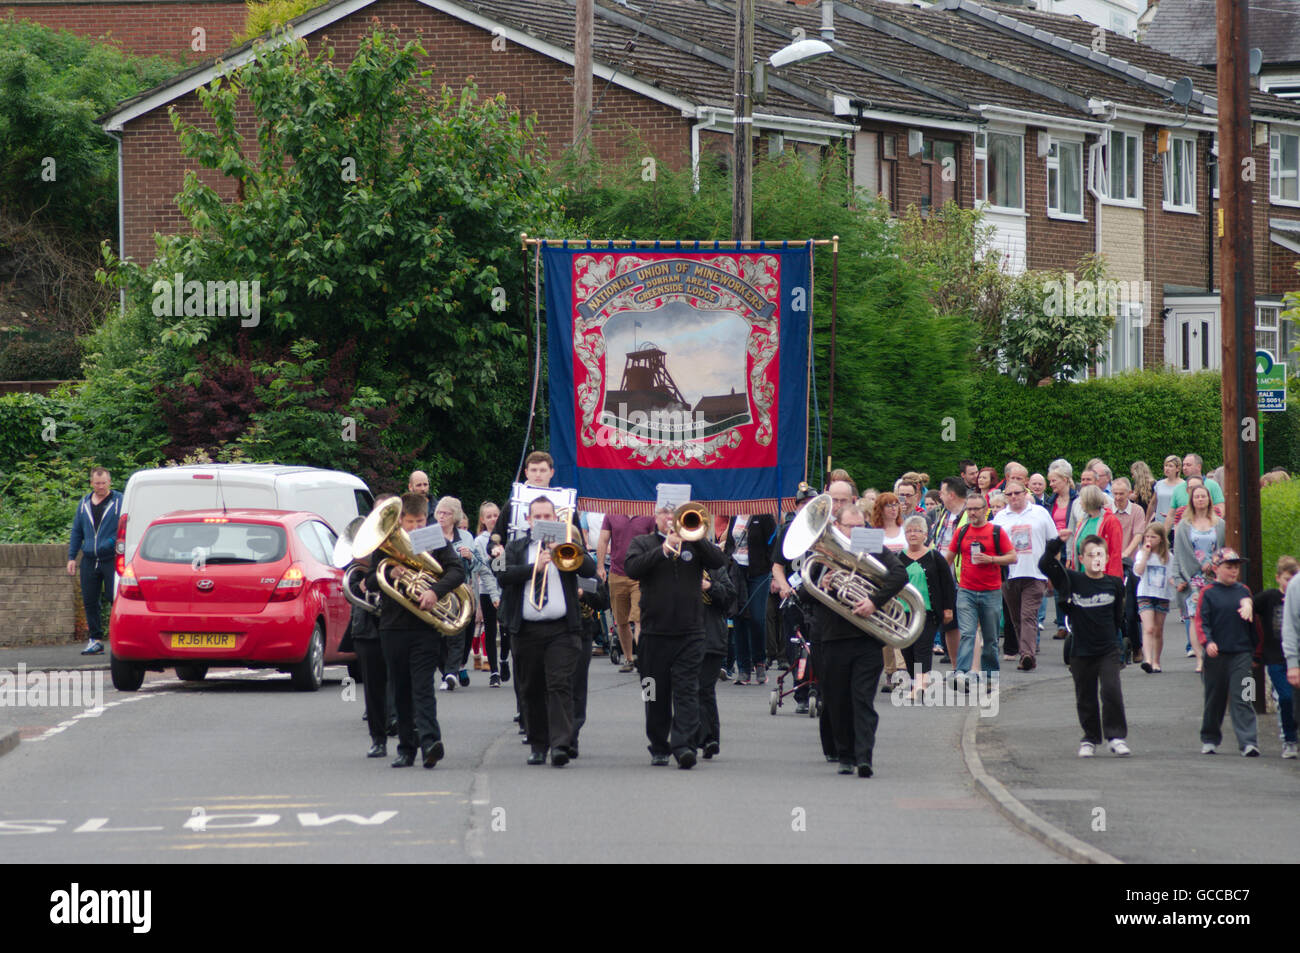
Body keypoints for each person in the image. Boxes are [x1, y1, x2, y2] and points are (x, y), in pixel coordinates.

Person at [625, 503, 727, 768]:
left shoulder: (695, 544)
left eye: (674, 514)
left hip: (690, 632)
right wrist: (662, 550)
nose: (669, 518)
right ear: (655, 517)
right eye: (664, 514)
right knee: (653, 692)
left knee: (687, 690)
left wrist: (697, 537)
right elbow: (631, 569)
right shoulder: (643, 542)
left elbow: (718, 561)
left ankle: (684, 746)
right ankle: (658, 745)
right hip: (653, 632)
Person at [496, 495, 596, 767]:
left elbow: (590, 570)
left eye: (547, 516)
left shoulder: (567, 547)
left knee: (560, 684)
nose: (542, 520)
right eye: (537, 516)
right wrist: (533, 568)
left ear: (556, 519)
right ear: (528, 520)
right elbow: (500, 574)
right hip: (526, 629)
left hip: (562, 629)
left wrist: (565, 548)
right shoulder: (516, 547)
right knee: (531, 688)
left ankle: (561, 744)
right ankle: (538, 744)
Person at [368, 493, 463, 769]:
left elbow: (457, 571)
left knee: (423, 687)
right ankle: (406, 748)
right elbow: (370, 581)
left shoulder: (433, 539)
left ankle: (431, 743)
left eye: (420, 521)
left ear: (427, 518)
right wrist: (388, 574)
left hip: (425, 627)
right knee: (400, 689)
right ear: (400, 520)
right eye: (410, 522)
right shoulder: (385, 543)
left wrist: (435, 591)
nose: (415, 528)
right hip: (393, 625)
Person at [815, 501, 909, 777]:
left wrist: (874, 601)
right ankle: (845, 755)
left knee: (862, 700)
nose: (856, 531)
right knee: (837, 699)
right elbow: (805, 592)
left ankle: (864, 757)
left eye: (861, 527)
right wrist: (823, 584)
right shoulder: (823, 555)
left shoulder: (874, 548)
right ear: (837, 526)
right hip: (832, 637)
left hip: (867, 637)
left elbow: (900, 574)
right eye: (850, 527)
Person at [1039, 533, 1130, 757]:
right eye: (1090, 555)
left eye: (1100, 554)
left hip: (1107, 648)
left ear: (1107, 557)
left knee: (1111, 691)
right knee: (1085, 696)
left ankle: (1116, 736)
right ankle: (1090, 738)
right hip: (1080, 649)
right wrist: (1058, 543)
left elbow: (1119, 617)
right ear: (1082, 558)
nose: (1095, 559)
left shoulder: (1115, 584)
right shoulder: (1073, 580)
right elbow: (1045, 564)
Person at [946, 492, 1016, 684]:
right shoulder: (962, 532)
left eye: (976, 509)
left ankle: (990, 676)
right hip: (966, 590)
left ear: (985, 510)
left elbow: (1012, 556)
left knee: (990, 638)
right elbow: (948, 559)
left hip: (991, 591)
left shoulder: (996, 531)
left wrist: (992, 559)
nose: (972, 512)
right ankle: (961, 673)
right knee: (967, 633)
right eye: (969, 509)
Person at [1194, 549, 1260, 756]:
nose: (1233, 571)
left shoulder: (1244, 591)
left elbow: (1254, 626)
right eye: (1229, 567)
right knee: (1214, 698)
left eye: (1236, 567)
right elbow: (1201, 621)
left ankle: (1249, 741)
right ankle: (1210, 738)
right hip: (1217, 656)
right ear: (1216, 569)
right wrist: (1208, 642)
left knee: (1244, 696)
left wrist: (1256, 653)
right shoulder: (1209, 592)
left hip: (1241, 653)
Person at [993, 479, 1057, 671]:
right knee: (1016, 618)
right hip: (1010, 575)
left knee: (1028, 615)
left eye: (1017, 493)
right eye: (1009, 494)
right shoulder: (1000, 518)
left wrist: (1053, 573)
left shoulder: (1040, 513)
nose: (1013, 497)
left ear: (1025, 493)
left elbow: (1052, 543)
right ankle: (1026, 649)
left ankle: (1027, 655)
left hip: (1035, 573)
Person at [898, 514, 956, 697]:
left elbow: (947, 583)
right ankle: (916, 681)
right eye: (909, 531)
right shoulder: (898, 557)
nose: (913, 534)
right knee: (906, 648)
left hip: (928, 611)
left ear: (925, 534)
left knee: (922, 646)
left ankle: (919, 685)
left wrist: (948, 608)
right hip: (903, 612)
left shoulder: (934, 556)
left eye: (918, 531)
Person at [67, 467, 122, 656]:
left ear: (110, 482)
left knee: (114, 598)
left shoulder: (119, 502)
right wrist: (72, 557)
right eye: (97, 483)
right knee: (90, 600)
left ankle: (119, 637)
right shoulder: (83, 504)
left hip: (112, 558)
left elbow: (126, 527)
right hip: (89, 559)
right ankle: (95, 640)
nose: (100, 487)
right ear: (91, 483)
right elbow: (77, 531)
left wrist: (110, 543)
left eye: (103, 483)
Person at [1171, 484, 1225, 672]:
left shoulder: (1219, 524)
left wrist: (1216, 563)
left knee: (1215, 616)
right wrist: (1177, 578)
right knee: (1194, 618)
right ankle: (1200, 659)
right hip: (1193, 578)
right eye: (1197, 497)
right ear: (1191, 500)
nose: (1200, 500)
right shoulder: (1184, 526)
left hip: (1214, 577)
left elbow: (1225, 549)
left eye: (1203, 496)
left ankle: (1214, 654)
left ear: (1209, 499)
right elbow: (1178, 554)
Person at [724, 508, 779, 686]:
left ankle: (760, 662)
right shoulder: (735, 515)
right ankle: (743, 668)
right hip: (737, 571)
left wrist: (774, 575)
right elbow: (730, 545)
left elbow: (773, 547)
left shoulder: (764, 516)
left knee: (756, 618)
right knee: (739, 617)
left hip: (759, 572)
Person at [596, 509, 655, 674]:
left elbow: (654, 542)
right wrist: (600, 566)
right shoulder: (611, 513)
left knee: (639, 620)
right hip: (617, 573)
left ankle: (643, 660)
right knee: (621, 621)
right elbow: (603, 540)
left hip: (640, 575)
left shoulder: (649, 513)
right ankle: (629, 658)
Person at [1252, 556, 1297, 758]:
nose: (1291, 584)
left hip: (1295, 656)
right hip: (1276, 657)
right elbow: (1249, 603)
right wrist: (1246, 604)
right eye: (1287, 579)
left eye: (1294, 578)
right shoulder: (1270, 598)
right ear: (1278, 578)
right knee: (1286, 698)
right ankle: (1289, 740)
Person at [432, 496, 478, 691]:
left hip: (459, 592)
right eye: (439, 513)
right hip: (436, 590)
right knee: (438, 635)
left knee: (457, 633)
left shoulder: (466, 537)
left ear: (455, 516)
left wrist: (471, 557)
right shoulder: (430, 534)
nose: (442, 516)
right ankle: (445, 671)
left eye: (447, 513)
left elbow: (479, 565)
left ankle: (451, 672)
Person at [696, 553, 737, 760]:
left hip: (711, 637)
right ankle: (688, 736)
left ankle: (710, 738)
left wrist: (709, 586)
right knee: (680, 689)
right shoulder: (673, 562)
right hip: (682, 636)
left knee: (705, 689)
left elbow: (730, 596)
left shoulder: (715, 566)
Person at [1133, 522, 1173, 673]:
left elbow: (1171, 577)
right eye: (1147, 536)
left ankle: (1156, 660)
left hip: (1162, 595)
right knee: (1148, 628)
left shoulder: (1168, 557)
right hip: (1145, 594)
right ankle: (1148, 660)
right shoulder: (1141, 554)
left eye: (1153, 537)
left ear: (1161, 539)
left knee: (1158, 630)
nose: (1149, 540)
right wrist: (1145, 555)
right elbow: (1138, 571)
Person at [1044, 464, 1077, 641]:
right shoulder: (1050, 502)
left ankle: (1074, 621)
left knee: (1072, 584)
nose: (1051, 484)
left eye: (1053, 480)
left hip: (1071, 544)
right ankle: (1062, 624)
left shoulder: (1076, 500)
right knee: (1057, 585)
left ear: (1065, 479)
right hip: (1055, 546)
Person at [473, 502, 505, 686]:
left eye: (496, 515)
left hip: (504, 588)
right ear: (483, 520)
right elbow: (481, 568)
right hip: (486, 590)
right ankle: (494, 671)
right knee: (491, 629)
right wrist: (490, 556)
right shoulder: (479, 541)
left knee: (507, 629)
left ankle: (503, 660)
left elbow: (504, 567)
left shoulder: (504, 537)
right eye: (489, 516)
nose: (493, 519)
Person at [1069, 485, 1123, 578]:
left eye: (1081, 499)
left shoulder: (1111, 521)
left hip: (1102, 577)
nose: (1080, 503)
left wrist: (1113, 579)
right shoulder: (1084, 520)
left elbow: (1115, 553)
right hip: (1082, 575)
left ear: (1088, 500)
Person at [1170, 453, 1225, 518]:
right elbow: (1171, 515)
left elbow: (1221, 508)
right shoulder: (1178, 488)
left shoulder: (1213, 485)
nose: (1184, 468)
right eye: (1183, 465)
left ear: (1199, 467)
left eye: (1188, 465)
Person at [1147, 454, 1185, 525]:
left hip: (1176, 524)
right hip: (1159, 524)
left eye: (1170, 466)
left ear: (1178, 469)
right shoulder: (1159, 484)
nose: (1167, 468)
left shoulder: (1183, 485)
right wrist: (1146, 521)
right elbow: (1153, 504)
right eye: (1166, 465)